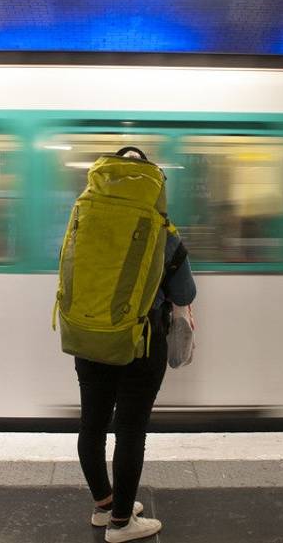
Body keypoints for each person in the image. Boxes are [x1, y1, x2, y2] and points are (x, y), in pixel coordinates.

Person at [74, 148, 196, 543]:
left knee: (92, 423)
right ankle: (123, 523)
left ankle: (104, 506)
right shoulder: (163, 230)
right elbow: (185, 291)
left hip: (89, 335)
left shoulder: (84, 217)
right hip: (141, 343)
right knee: (130, 430)